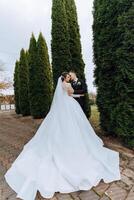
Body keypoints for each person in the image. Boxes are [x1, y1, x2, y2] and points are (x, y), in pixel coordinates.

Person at [4, 72, 121, 200]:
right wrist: (78, 92)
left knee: (62, 126)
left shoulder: (62, 85)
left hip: (64, 107)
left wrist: (77, 91)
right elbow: (71, 94)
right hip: (69, 105)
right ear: (65, 78)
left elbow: (67, 94)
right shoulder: (67, 84)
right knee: (73, 126)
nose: (69, 78)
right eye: (68, 77)